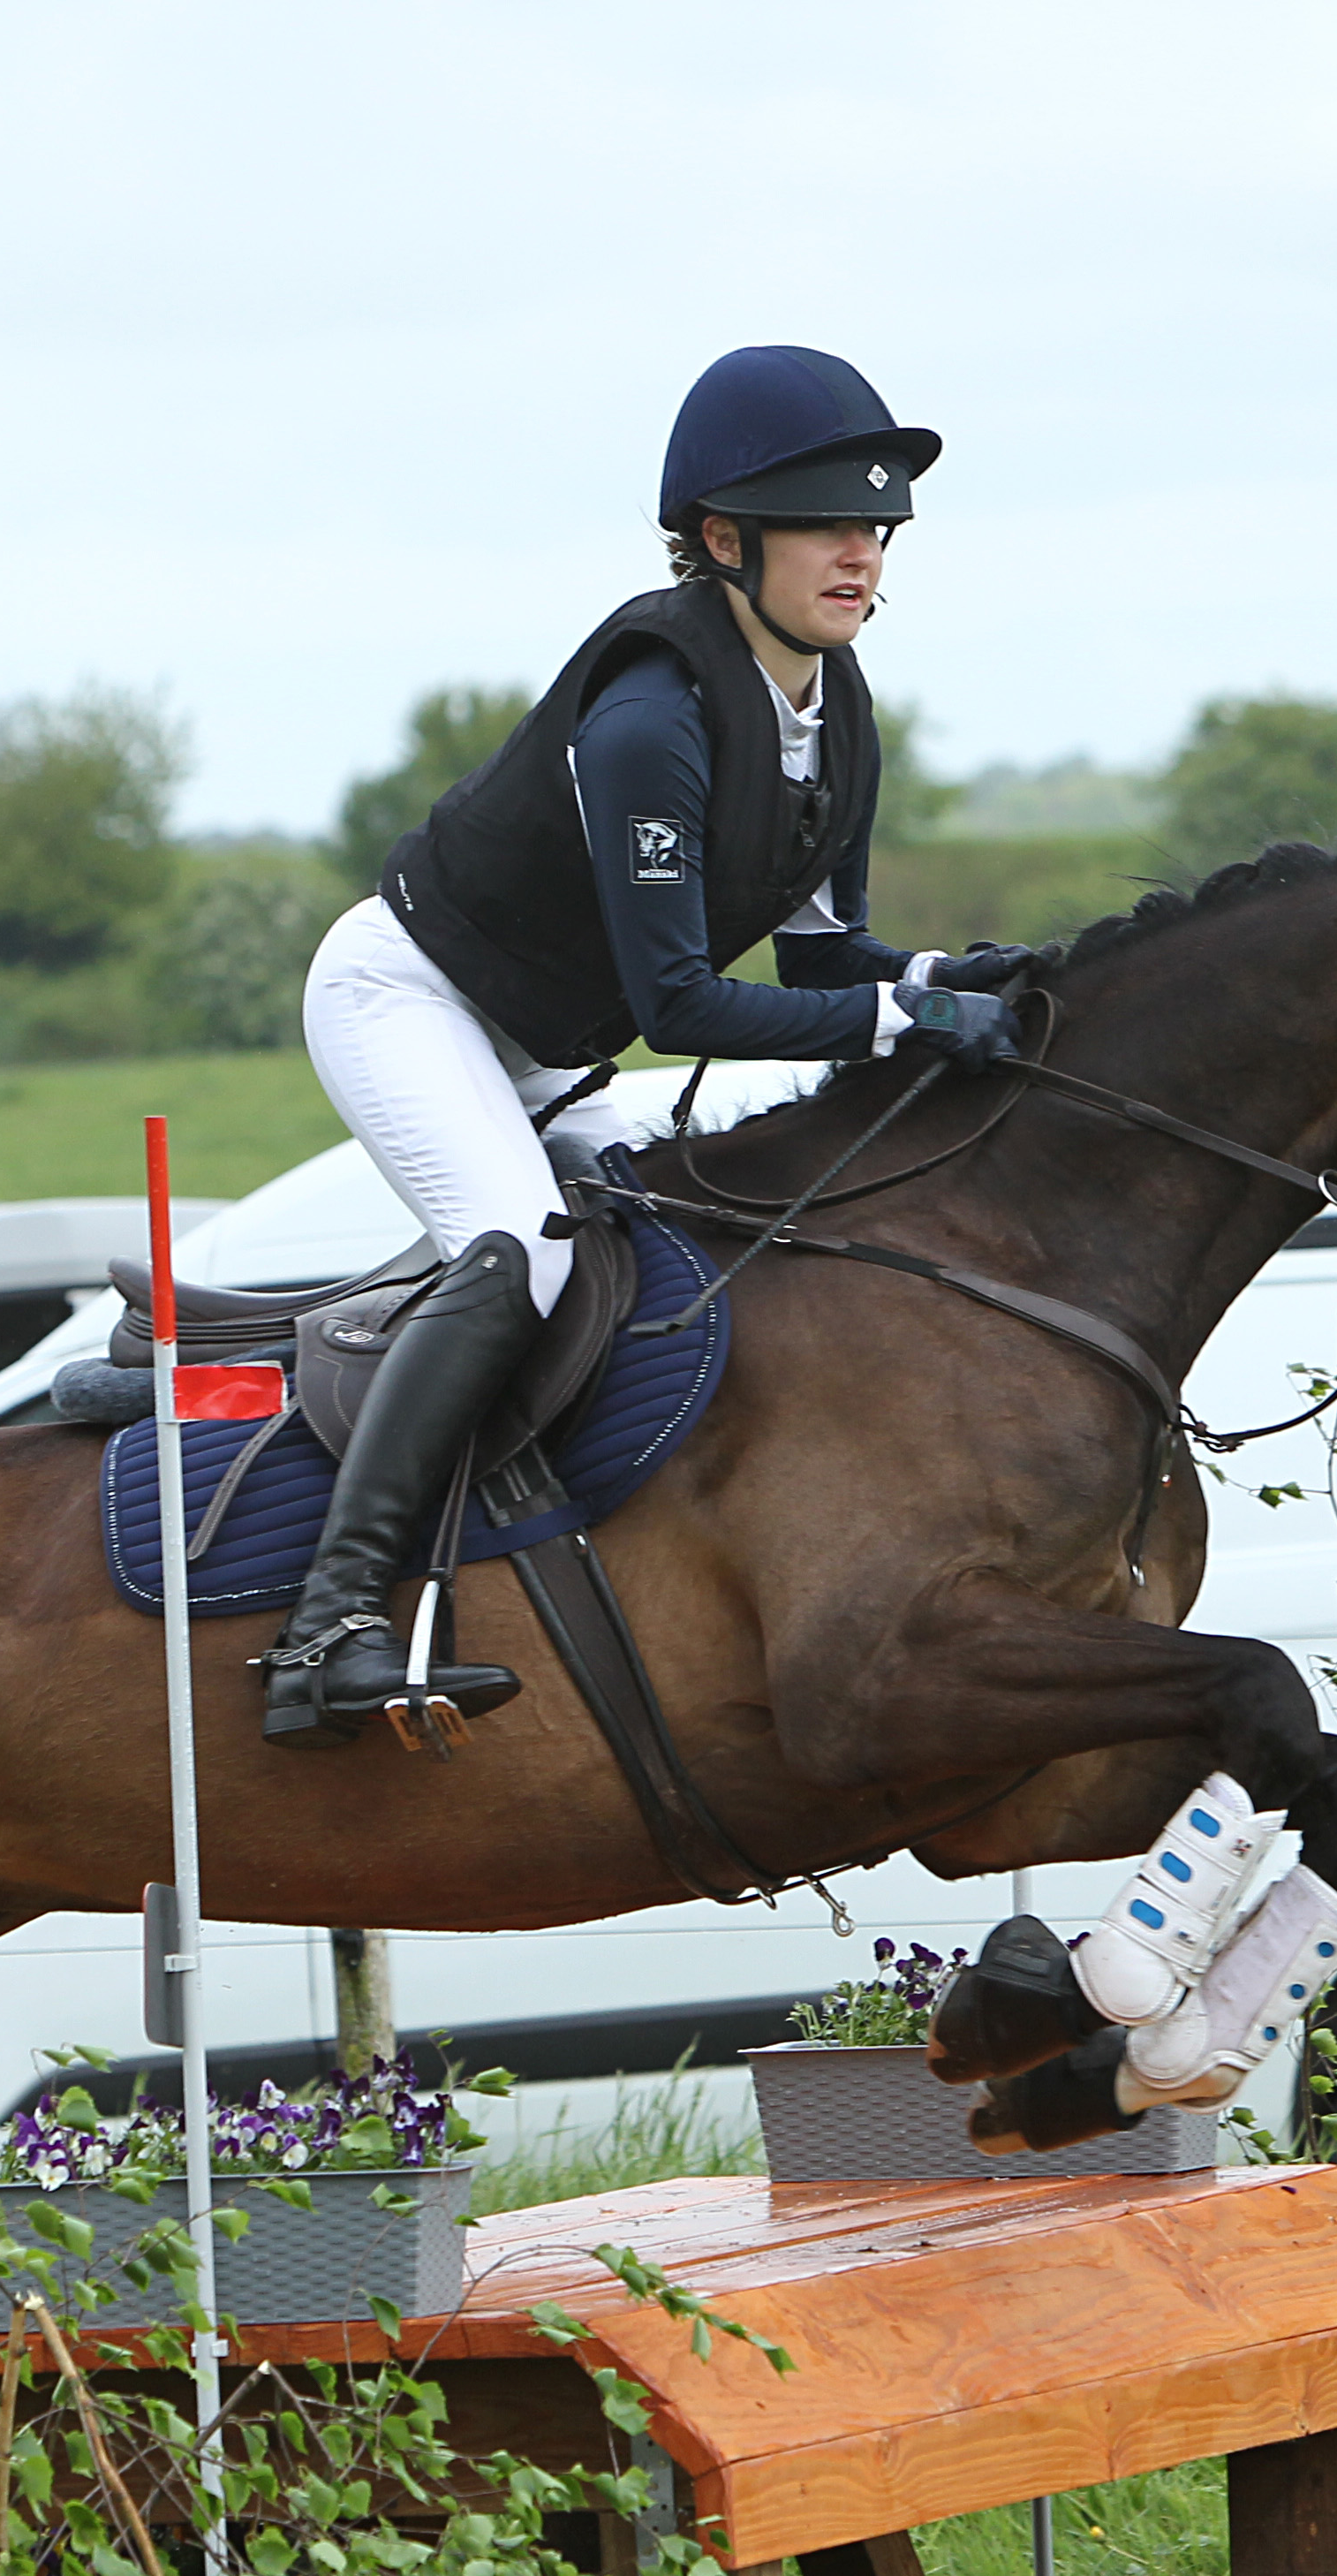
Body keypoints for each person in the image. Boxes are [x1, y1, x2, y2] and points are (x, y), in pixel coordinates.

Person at [261, 345, 1030, 1753]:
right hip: (411, 1000)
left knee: (717, 1221)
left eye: (876, 530)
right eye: (825, 528)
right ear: (725, 542)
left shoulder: (829, 708)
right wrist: (899, 1016)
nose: (861, 556)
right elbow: (682, 1008)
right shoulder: (649, 719)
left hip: (545, 1047)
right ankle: (330, 1621)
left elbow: (817, 964)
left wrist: (939, 974)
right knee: (525, 1250)